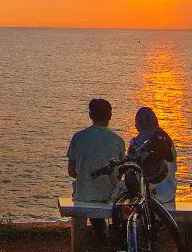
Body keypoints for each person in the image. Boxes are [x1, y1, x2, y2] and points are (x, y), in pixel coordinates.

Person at [67, 98, 125, 243]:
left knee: (86, 191)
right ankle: (104, 234)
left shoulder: (78, 137)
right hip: (110, 194)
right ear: (110, 116)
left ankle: (100, 234)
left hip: (84, 193)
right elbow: (119, 173)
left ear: (90, 115)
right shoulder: (117, 140)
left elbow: (72, 171)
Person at [128, 105, 178, 206]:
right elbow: (173, 166)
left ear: (138, 124)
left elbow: (130, 169)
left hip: (147, 197)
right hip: (168, 195)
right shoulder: (167, 140)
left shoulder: (136, 143)